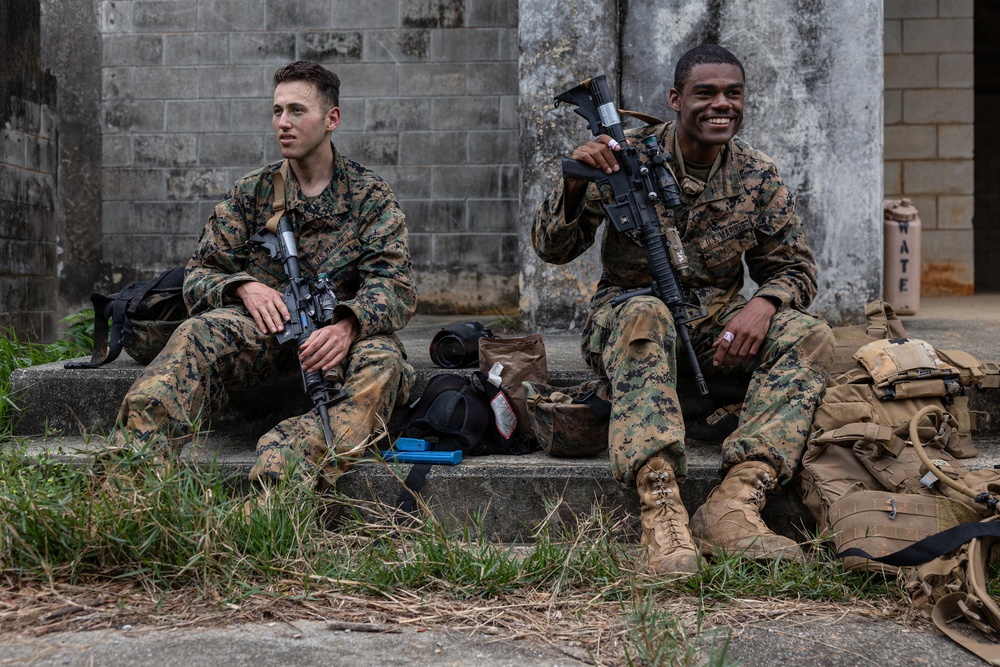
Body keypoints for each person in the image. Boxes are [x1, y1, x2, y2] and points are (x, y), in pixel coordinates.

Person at [532, 44, 834, 575]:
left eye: (733, 93)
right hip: (629, 318)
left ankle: (734, 505)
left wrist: (763, 304)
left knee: (808, 333)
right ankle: (662, 511)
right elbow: (552, 249)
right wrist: (576, 180)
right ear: (675, 99)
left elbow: (795, 268)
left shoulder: (756, 174)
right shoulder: (625, 157)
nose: (722, 104)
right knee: (646, 312)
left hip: (714, 327)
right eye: (706, 93)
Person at [112, 61, 416, 494]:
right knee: (199, 332)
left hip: (339, 338)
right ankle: (130, 476)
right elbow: (199, 273)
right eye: (277, 111)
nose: (283, 123)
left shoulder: (369, 195)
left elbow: (396, 287)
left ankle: (282, 473)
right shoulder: (252, 192)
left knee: (384, 364)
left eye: (297, 110)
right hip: (267, 331)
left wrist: (348, 324)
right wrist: (242, 286)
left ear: (332, 119)